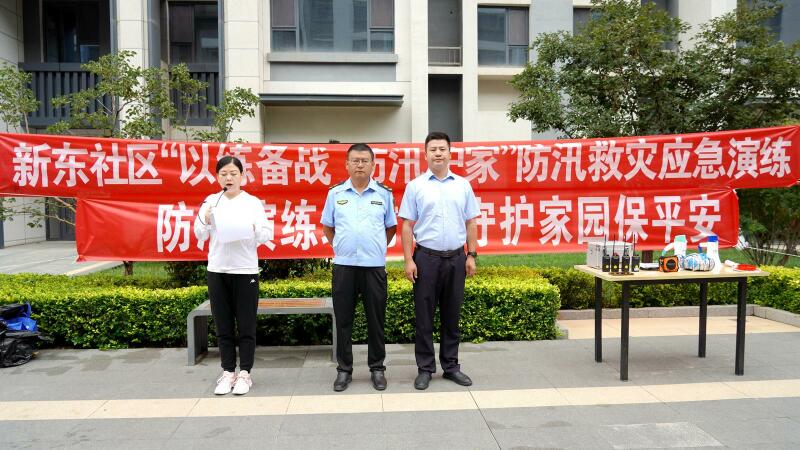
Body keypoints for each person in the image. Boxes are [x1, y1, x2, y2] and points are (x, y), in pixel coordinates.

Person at [398, 131, 480, 390]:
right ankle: (425, 368)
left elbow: (471, 222)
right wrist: (408, 260)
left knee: (451, 314)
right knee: (424, 316)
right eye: (433, 149)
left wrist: (471, 255)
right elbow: (407, 226)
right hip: (426, 259)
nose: (438, 153)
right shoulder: (416, 186)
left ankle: (451, 366)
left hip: (456, 258)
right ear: (425, 154)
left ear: (450, 153)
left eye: (442, 149)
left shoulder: (462, 185)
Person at [321, 143, 397, 392]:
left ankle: (377, 368)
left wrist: (376, 247)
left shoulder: (383, 194)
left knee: (376, 320)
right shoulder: (335, 194)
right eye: (355, 160)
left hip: (373, 266)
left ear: (373, 165)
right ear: (347, 164)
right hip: (344, 266)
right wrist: (340, 246)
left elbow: (391, 227)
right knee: (343, 320)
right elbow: (328, 226)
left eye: (365, 161)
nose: (360, 165)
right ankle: (344, 370)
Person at [193, 155, 270, 395]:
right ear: (217, 177)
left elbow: (266, 234)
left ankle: (245, 373)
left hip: (245, 270)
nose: (229, 178)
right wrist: (206, 220)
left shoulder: (252, 203)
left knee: (246, 325)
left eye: (233, 173)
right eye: (224, 174)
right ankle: (228, 372)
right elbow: (199, 234)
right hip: (217, 269)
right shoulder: (211, 201)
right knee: (223, 325)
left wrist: (255, 229)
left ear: (242, 176)